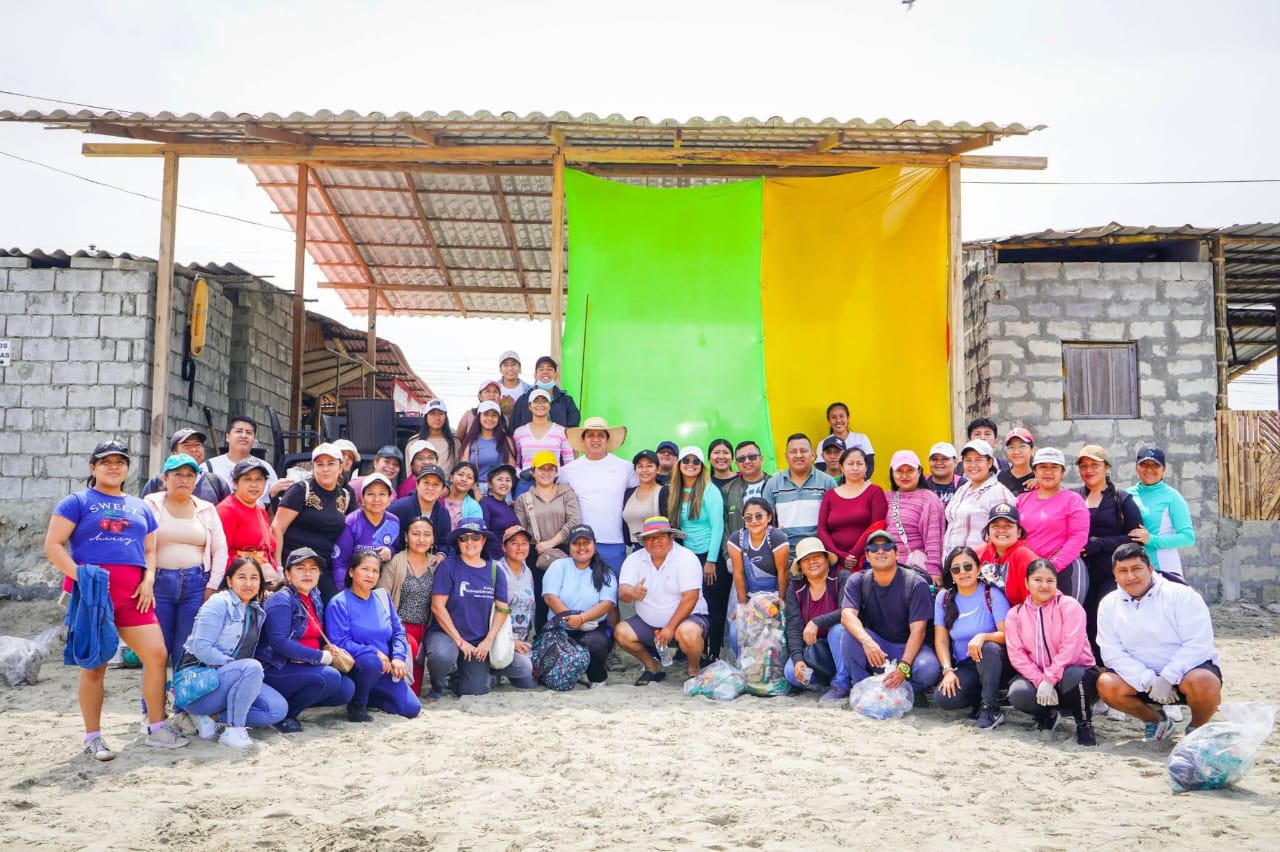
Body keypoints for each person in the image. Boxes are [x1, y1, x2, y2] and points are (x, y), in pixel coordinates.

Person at [44, 441, 184, 760]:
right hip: (94, 598)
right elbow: (53, 545)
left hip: (134, 597)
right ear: (93, 467)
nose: (113, 466)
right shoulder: (76, 502)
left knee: (157, 655)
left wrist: (148, 580)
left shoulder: (140, 507)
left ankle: (156, 728)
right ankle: (93, 737)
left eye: (120, 462)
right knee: (96, 665)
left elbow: (149, 550)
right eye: (105, 461)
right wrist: (82, 578)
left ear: (127, 469)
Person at [1096, 542, 1222, 740]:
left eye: (1136, 569)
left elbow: (1198, 643)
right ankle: (1156, 721)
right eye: (1123, 571)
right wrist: (1149, 680)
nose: (1130, 577)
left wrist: (1168, 677)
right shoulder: (1109, 604)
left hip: (1185, 675)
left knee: (1204, 681)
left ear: (1150, 568)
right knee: (1106, 684)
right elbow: (1112, 652)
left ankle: (1197, 729)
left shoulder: (1181, 595)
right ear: (1115, 574)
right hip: (1142, 681)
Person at [178, 556, 288, 747]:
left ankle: (210, 717)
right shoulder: (219, 603)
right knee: (252, 667)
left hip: (234, 678)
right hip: (200, 686)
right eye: (241, 577)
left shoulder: (256, 611)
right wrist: (237, 668)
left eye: (254, 578)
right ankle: (234, 730)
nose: (248, 584)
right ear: (229, 581)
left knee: (277, 710)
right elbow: (200, 647)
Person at [142, 453, 229, 679]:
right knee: (156, 650)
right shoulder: (150, 504)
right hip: (158, 584)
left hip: (196, 584)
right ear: (165, 478)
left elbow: (220, 549)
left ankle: (182, 699)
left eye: (190, 475)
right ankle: (153, 702)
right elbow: (138, 544)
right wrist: (144, 581)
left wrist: (212, 586)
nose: (184, 480)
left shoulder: (206, 509)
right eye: (178, 474)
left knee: (187, 649)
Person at [426, 520, 535, 697]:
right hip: (447, 635)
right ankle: (437, 685)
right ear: (458, 542)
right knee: (442, 656)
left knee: (515, 670)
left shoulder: (495, 570)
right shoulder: (448, 566)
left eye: (475, 537)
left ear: (483, 540)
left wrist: (488, 641)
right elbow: (438, 607)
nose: (469, 542)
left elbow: (502, 609)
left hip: (479, 641)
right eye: (463, 538)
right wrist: (460, 641)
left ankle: (464, 676)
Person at [255, 548, 355, 732]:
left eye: (313, 568)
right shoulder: (281, 600)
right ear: (288, 574)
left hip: (304, 665)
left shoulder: (314, 597)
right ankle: (286, 715)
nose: (307, 573)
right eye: (300, 568)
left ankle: (295, 699)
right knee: (329, 677)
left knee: (346, 689)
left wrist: (328, 649)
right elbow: (279, 642)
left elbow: (316, 634)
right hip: (277, 667)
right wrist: (320, 657)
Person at [837, 530, 942, 703]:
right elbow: (847, 615)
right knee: (849, 634)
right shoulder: (858, 580)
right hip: (879, 647)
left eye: (886, 547)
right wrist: (868, 642)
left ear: (897, 553)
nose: (880, 551)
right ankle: (862, 688)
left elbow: (919, 631)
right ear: (867, 556)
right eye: (874, 548)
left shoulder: (915, 583)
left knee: (928, 669)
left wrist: (904, 667)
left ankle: (908, 692)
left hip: (911, 648)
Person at [1005, 559, 1099, 746]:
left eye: (1050, 581)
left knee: (1075, 675)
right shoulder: (1016, 614)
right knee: (1018, 692)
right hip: (1041, 679)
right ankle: (1048, 715)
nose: (1044, 585)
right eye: (1037, 580)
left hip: (1074, 676)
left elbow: (1071, 647)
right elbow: (1017, 655)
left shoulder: (1069, 606)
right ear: (1027, 583)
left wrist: (1050, 679)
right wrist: (1040, 680)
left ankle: (1084, 724)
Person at [326, 549, 422, 719]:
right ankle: (357, 706)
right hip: (359, 667)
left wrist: (398, 657)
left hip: (386, 668)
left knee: (411, 709)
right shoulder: (339, 603)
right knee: (371, 662)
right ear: (351, 572)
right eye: (364, 569)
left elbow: (399, 631)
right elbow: (340, 642)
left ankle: (371, 696)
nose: (370, 575)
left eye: (375, 571)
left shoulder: (382, 598)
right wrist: (374, 652)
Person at [616, 517, 711, 685]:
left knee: (688, 633)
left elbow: (691, 598)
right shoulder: (634, 559)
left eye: (661, 536)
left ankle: (694, 669)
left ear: (671, 537)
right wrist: (632, 592)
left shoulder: (686, 558)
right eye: (650, 538)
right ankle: (652, 666)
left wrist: (670, 627)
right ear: (644, 541)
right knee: (621, 632)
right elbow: (623, 592)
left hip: (686, 619)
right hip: (649, 623)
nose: (655, 541)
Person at [1074, 444, 1145, 656]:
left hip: (1111, 574)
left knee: (1107, 618)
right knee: (1082, 619)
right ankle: (1090, 666)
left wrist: (1100, 544)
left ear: (1107, 468)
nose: (1089, 470)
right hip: (1080, 573)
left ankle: (1112, 663)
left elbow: (1136, 540)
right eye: (1084, 466)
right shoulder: (1073, 497)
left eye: (1094, 465)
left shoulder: (1122, 500)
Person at [932, 547, 1011, 729]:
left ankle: (990, 708)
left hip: (995, 661)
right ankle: (982, 698)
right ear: (951, 574)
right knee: (944, 698)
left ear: (978, 568)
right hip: (967, 664)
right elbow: (941, 640)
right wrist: (947, 670)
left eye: (968, 566)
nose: (963, 572)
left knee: (986, 647)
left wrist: (982, 636)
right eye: (956, 569)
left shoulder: (991, 594)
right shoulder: (943, 598)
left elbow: (1007, 635)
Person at [667, 446, 727, 660]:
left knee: (713, 607)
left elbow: (717, 526)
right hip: (687, 556)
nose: (690, 465)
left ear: (702, 466)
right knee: (690, 604)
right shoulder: (674, 490)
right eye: (686, 460)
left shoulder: (710, 490)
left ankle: (713, 654)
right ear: (679, 464)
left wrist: (711, 560)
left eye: (695, 461)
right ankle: (694, 649)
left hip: (709, 555)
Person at [542, 525, 619, 687]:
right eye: (576, 543)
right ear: (570, 546)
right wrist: (572, 620)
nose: (582, 547)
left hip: (594, 625)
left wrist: (582, 619)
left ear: (594, 544)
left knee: (596, 644)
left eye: (586, 543)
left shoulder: (606, 572)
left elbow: (607, 603)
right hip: (560, 625)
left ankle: (597, 679)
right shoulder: (559, 566)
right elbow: (550, 597)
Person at [272, 443, 350, 601]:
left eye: (331, 463)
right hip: (295, 565)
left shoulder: (345, 496)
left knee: (334, 606)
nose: (325, 469)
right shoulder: (301, 490)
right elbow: (277, 528)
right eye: (320, 464)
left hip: (323, 568)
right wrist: (279, 568)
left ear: (341, 467)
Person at [559, 416, 638, 573]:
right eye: (590, 435)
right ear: (583, 441)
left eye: (600, 435)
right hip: (580, 542)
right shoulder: (568, 470)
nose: (596, 439)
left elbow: (645, 488)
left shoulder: (625, 467)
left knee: (613, 585)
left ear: (607, 440)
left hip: (613, 541)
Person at [515, 450, 581, 628]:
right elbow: (521, 530)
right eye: (541, 469)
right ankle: (542, 637)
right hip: (536, 555)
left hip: (564, 551)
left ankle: (567, 635)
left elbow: (574, 521)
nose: (546, 473)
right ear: (533, 472)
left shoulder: (566, 492)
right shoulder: (523, 499)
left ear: (556, 471)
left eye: (550, 469)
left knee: (566, 595)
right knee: (541, 597)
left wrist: (551, 543)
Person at [1016, 448, 1090, 601]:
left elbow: (1078, 537)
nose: (1048, 472)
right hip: (1029, 572)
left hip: (1065, 571)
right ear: (1035, 471)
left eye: (1054, 467)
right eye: (1043, 467)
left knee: (1064, 615)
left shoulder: (1074, 500)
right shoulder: (1021, 500)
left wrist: (1051, 567)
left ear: (1062, 472)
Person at [377, 517, 439, 693]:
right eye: (415, 534)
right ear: (406, 536)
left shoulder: (437, 564)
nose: (421, 539)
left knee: (415, 691)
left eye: (427, 535)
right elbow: (382, 601)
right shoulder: (395, 562)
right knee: (405, 688)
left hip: (426, 629)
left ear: (433, 539)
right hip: (400, 629)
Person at [782, 538, 850, 695]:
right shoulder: (796, 588)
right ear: (800, 566)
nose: (812, 562)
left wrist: (816, 622)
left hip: (842, 645)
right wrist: (798, 659)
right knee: (791, 673)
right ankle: (825, 684)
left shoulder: (841, 578)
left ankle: (842, 681)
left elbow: (847, 611)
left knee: (838, 630)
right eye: (806, 559)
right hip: (815, 649)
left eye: (816, 557)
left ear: (826, 560)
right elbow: (793, 627)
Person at [1129, 446, 1196, 580]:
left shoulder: (1172, 497)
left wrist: (1151, 539)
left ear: (1164, 469)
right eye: (1144, 464)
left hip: (1164, 570)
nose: (1149, 470)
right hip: (1133, 571)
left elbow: (1188, 537)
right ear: (1137, 467)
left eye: (1155, 465)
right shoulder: (1126, 495)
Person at [762, 434, 837, 553]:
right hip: (786, 552)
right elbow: (765, 521)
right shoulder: (773, 484)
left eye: (803, 451)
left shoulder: (827, 482)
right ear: (786, 456)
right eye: (793, 452)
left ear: (813, 455)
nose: (798, 455)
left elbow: (835, 521)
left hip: (819, 551)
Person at [817, 447, 886, 573]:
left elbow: (876, 527)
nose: (855, 468)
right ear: (842, 467)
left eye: (859, 464)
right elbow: (822, 529)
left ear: (866, 467)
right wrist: (839, 555)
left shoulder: (875, 492)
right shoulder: (830, 495)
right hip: (835, 561)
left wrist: (853, 555)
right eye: (850, 464)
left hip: (866, 560)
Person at [943, 439, 1015, 555]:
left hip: (980, 562)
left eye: (978, 460)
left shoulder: (998, 493)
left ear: (990, 462)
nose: (973, 465)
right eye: (968, 460)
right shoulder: (963, 489)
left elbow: (1006, 536)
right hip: (952, 562)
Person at [331, 472, 400, 590]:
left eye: (382, 494)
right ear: (362, 498)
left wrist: (391, 551)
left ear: (389, 499)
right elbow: (340, 564)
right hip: (353, 585)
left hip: (381, 583)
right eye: (371, 494)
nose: (376, 499)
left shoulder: (393, 522)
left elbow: (397, 548)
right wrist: (344, 594)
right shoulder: (351, 523)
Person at [883, 449, 945, 582]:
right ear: (892, 473)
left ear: (919, 471)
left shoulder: (929, 499)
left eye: (910, 470)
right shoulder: (886, 497)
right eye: (899, 471)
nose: (904, 475)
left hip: (914, 571)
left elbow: (934, 538)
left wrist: (934, 570)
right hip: (886, 568)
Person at [216, 457, 279, 581]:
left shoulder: (261, 511)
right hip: (240, 582)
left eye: (259, 479)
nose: (254, 485)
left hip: (264, 582)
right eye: (247, 479)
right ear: (235, 483)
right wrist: (256, 568)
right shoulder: (227, 510)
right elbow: (219, 555)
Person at [206, 415, 291, 506]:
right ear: (227, 437)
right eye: (239, 431)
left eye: (249, 432)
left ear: (254, 439)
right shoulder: (209, 467)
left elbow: (271, 508)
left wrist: (270, 494)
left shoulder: (265, 467)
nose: (244, 435)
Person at [141, 427, 229, 505]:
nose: (194, 449)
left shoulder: (216, 482)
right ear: (173, 453)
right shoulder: (157, 482)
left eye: (198, 445)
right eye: (187, 446)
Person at [729, 497, 790, 604]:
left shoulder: (778, 538)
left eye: (759, 516)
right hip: (749, 597)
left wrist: (782, 602)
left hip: (775, 596)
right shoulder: (736, 539)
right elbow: (738, 573)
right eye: (748, 518)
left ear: (769, 517)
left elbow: (783, 572)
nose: (754, 521)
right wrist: (743, 605)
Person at [496, 526, 538, 684]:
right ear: (504, 547)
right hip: (499, 640)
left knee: (529, 684)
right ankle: (491, 670)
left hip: (521, 641)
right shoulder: (496, 570)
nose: (520, 547)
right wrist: (510, 643)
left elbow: (531, 609)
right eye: (514, 543)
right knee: (525, 667)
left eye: (524, 543)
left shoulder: (527, 572)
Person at [976, 503, 1036, 607]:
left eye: (1008, 526)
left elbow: (1034, 602)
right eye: (995, 526)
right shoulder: (979, 553)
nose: (1001, 530)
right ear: (988, 531)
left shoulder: (1024, 556)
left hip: (1020, 614)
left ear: (1019, 532)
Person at [720, 440, 770, 554]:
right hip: (740, 553)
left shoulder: (774, 484)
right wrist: (728, 555)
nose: (747, 461)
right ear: (736, 464)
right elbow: (724, 525)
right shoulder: (727, 490)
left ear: (761, 458)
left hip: (773, 551)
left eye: (752, 457)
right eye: (741, 459)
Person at [511, 388, 574, 475]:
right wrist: (521, 476)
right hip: (527, 481)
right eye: (536, 401)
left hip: (553, 480)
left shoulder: (561, 431)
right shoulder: (519, 432)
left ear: (549, 406)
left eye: (544, 401)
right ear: (529, 406)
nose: (540, 404)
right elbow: (515, 463)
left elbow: (569, 462)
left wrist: (559, 477)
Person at [508, 355, 581, 430]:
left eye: (549, 369)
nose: (545, 372)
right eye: (541, 369)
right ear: (535, 375)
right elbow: (513, 430)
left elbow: (573, 430)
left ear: (556, 375)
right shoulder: (523, 401)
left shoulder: (566, 401)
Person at [389, 463, 452, 548]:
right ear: (417, 485)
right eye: (426, 483)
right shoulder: (399, 508)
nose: (430, 488)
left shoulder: (443, 514)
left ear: (442, 489)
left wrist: (441, 553)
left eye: (436, 484)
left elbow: (444, 544)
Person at [460, 400, 517, 491]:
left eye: (494, 415)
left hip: (501, 490)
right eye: (486, 414)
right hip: (476, 489)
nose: (490, 418)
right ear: (479, 417)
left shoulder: (506, 440)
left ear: (499, 418)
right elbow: (464, 468)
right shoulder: (471, 440)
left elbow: (511, 467)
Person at [622, 450, 669, 549]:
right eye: (640, 466)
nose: (644, 470)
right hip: (634, 549)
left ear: (658, 469)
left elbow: (670, 523)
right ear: (635, 470)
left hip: (658, 548)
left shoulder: (664, 492)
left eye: (649, 466)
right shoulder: (628, 493)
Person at [480, 464, 520, 561]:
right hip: (494, 559)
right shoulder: (485, 503)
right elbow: (483, 534)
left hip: (511, 559)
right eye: (499, 479)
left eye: (508, 480)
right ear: (490, 484)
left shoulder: (509, 506)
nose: (504, 483)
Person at [411, 398, 459, 476]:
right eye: (432, 413)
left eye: (441, 413)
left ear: (445, 416)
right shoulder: (414, 442)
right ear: (426, 417)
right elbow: (410, 474)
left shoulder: (455, 443)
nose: (437, 417)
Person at [826, 401, 875, 476]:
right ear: (829, 420)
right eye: (833, 417)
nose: (838, 420)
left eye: (841, 416)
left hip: (861, 482)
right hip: (834, 482)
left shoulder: (862, 439)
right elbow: (822, 469)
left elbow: (870, 465)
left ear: (848, 418)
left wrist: (857, 481)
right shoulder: (823, 443)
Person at [923, 442, 966, 508]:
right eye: (934, 459)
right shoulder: (921, 484)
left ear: (955, 462)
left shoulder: (964, 485)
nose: (939, 463)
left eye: (945, 459)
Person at [998, 428, 1036, 494]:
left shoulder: (1038, 479)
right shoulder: (999, 477)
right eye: (1011, 447)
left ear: (1032, 450)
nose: (1016, 452)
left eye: (1022, 446)